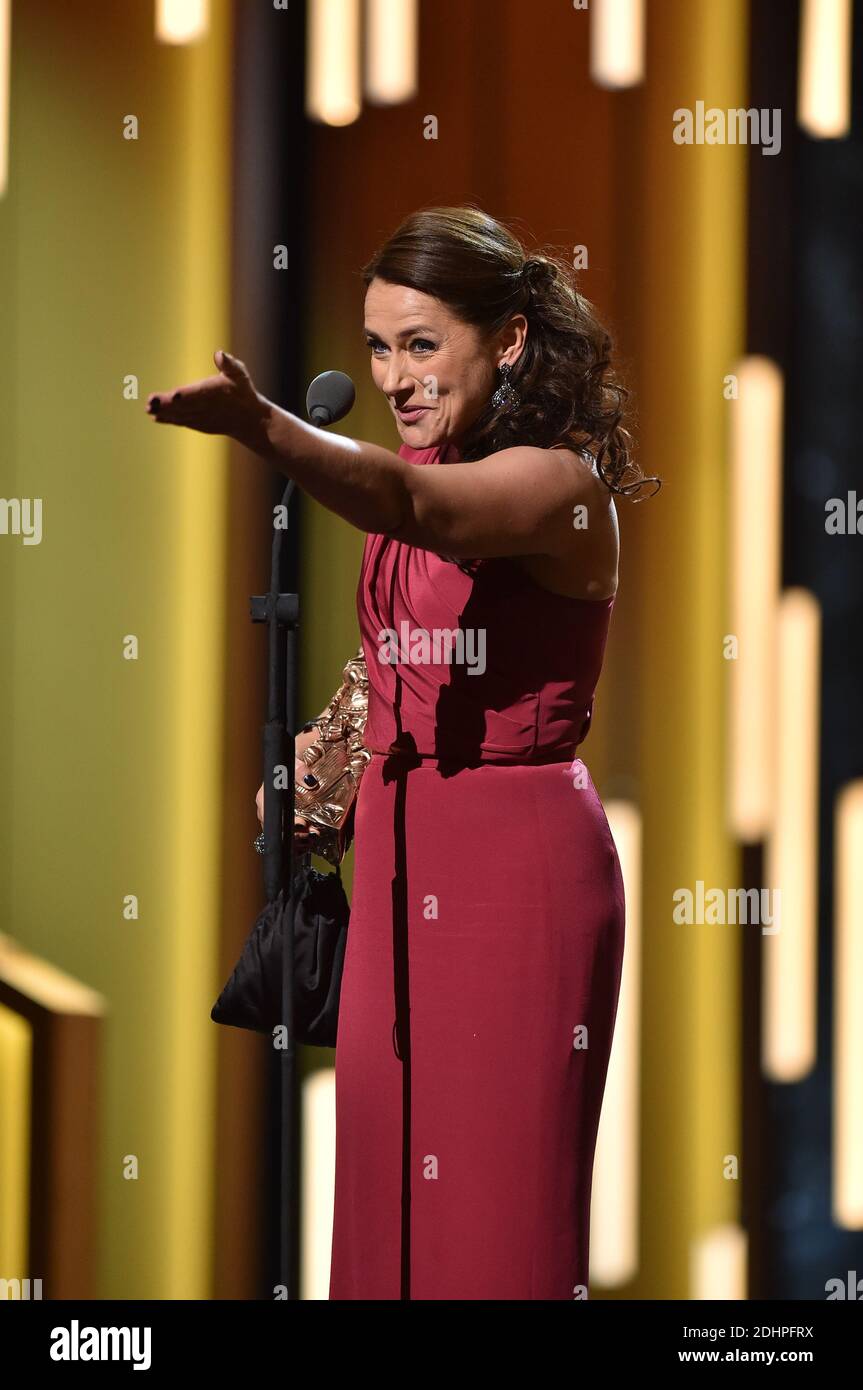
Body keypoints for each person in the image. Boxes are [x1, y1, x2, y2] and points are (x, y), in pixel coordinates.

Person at [147, 204, 659, 1300]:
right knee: (385, 1213)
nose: (392, 376)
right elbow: (393, 654)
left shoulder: (557, 487)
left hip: (515, 873)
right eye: (378, 347)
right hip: (396, 859)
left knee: (492, 1228)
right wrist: (326, 756)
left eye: (420, 344)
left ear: (509, 339)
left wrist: (262, 425)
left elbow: (418, 500)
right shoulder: (418, 485)